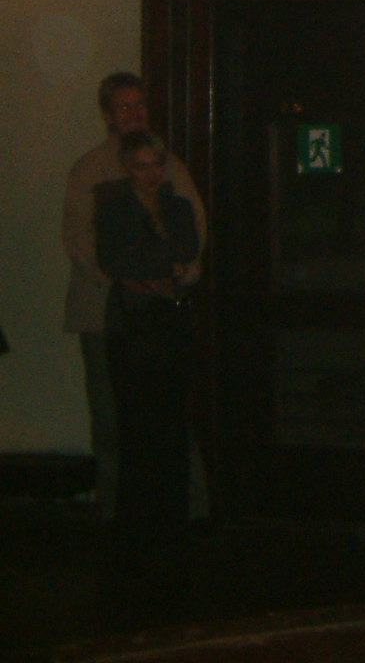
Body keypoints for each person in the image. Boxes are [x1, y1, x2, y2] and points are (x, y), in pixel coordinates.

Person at [62, 72, 206, 517]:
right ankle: (114, 511)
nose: (134, 114)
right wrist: (121, 281)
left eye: (140, 105)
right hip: (103, 313)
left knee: (173, 413)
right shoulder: (89, 169)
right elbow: (79, 240)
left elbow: (195, 228)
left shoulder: (169, 165)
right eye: (124, 107)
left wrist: (181, 275)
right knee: (110, 417)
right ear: (107, 115)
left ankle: (191, 508)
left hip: (160, 312)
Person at [94, 130, 202, 542]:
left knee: (172, 421)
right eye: (142, 166)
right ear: (127, 168)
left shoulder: (177, 205)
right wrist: (164, 263)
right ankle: (137, 522)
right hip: (132, 324)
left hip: (169, 321)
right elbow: (115, 260)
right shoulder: (114, 208)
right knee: (136, 422)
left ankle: (173, 518)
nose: (151, 173)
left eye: (156, 164)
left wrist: (157, 263)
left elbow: (187, 249)